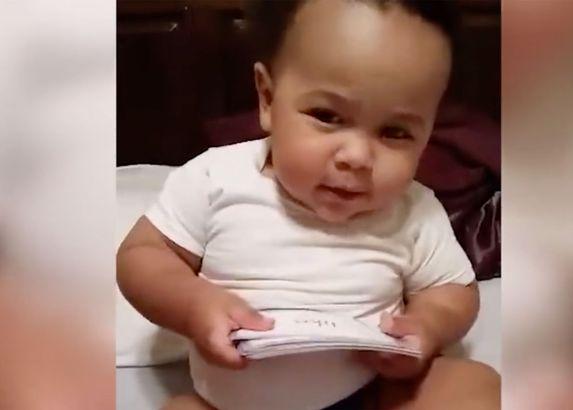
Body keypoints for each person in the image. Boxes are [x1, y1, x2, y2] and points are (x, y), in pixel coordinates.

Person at [116, 0, 500, 408]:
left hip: (369, 395)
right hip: (229, 403)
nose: (357, 156)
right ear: (268, 99)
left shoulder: (413, 209)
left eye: (395, 132)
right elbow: (144, 254)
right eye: (327, 116)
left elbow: (453, 290)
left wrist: (427, 325)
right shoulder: (216, 178)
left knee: (473, 384)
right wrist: (192, 305)